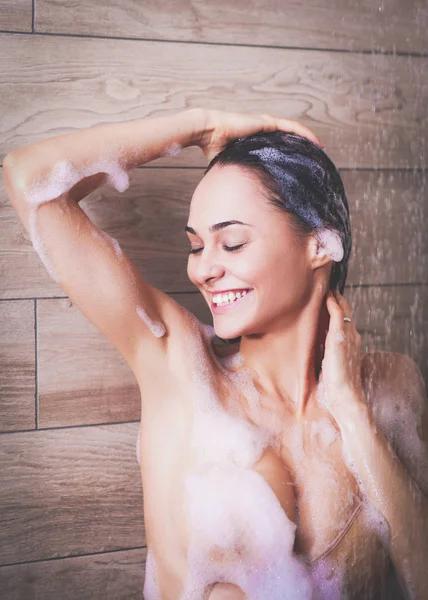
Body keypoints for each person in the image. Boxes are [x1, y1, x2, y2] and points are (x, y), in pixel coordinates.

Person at [3, 108, 428, 600]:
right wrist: (202, 127)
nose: (203, 270)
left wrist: (352, 411)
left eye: (232, 242)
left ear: (319, 242)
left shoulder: (391, 386)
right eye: (196, 246)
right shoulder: (180, 370)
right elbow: (29, 177)